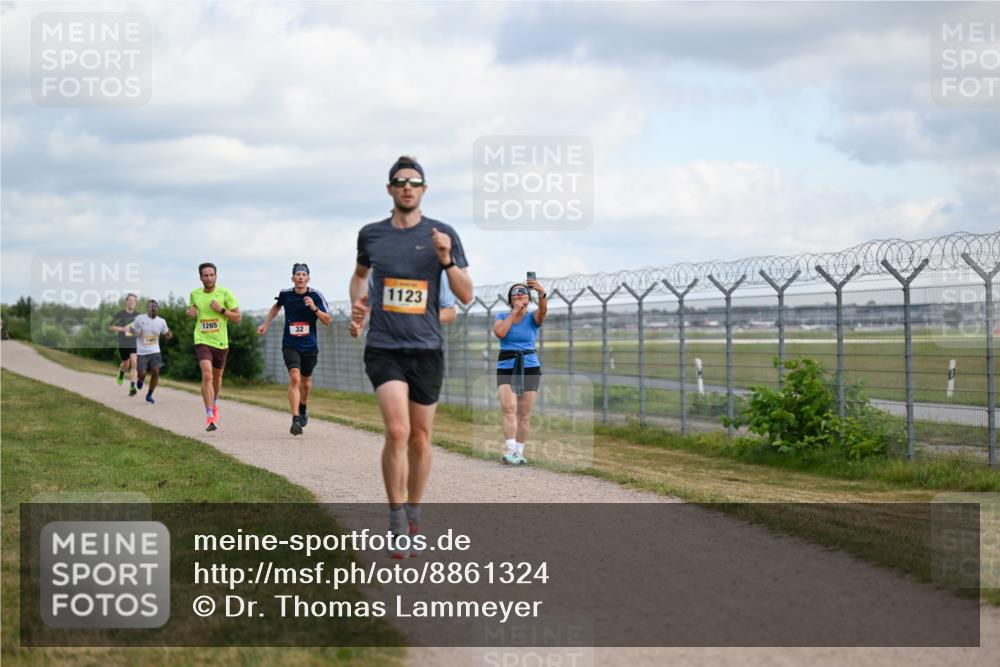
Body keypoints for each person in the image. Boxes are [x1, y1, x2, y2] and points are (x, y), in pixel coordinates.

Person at [349, 155, 473, 558]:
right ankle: (396, 518)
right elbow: (359, 277)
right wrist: (358, 306)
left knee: (420, 439)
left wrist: (446, 259)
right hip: (384, 348)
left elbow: (466, 294)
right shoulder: (371, 235)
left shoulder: (443, 234)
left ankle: (415, 513)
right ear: (390, 188)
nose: (407, 187)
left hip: (426, 350)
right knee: (398, 431)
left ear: (423, 190)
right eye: (401, 181)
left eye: (414, 182)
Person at [257, 263, 332, 435]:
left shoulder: (316, 295)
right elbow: (277, 306)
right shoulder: (285, 294)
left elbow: (328, 320)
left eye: (303, 275)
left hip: (309, 345)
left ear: (308, 279)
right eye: (298, 274)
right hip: (290, 344)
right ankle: (295, 419)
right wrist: (266, 324)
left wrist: (314, 308)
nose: (300, 277)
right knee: (294, 378)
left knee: (306, 381)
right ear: (293, 278)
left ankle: (303, 405)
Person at [493, 279, 547, 465]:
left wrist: (541, 293)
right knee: (508, 408)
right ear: (510, 299)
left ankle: (519, 452)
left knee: (524, 413)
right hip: (506, 366)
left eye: (523, 292)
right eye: (515, 293)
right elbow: (500, 332)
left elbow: (543, 312)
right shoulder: (501, 316)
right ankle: (510, 450)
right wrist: (514, 312)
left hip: (529, 366)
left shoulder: (533, 318)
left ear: (528, 298)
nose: (519, 294)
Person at [187, 263, 241, 431]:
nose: (209, 278)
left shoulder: (225, 293)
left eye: (211, 275)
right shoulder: (195, 294)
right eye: (205, 275)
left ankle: (214, 402)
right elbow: (192, 310)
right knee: (207, 375)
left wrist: (222, 310)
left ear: (216, 276)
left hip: (220, 343)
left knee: (217, 377)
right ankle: (209, 414)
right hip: (202, 340)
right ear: (200, 277)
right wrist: (190, 313)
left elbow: (238, 318)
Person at [132, 299, 172, 404]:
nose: (152, 309)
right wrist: (136, 333)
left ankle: (149, 395)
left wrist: (169, 335)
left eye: (154, 307)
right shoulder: (139, 319)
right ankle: (141, 379)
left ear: (157, 309)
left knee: (156, 371)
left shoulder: (161, 321)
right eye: (150, 307)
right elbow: (131, 329)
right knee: (142, 373)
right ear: (147, 308)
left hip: (155, 351)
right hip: (141, 352)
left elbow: (167, 332)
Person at [109, 293, 139, 396]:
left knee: (134, 362)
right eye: (130, 300)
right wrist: (122, 329)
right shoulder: (120, 314)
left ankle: (132, 387)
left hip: (134, 342)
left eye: (134, 301)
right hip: (123, 343)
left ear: (136, 303)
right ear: (126, 302)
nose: (132, 302)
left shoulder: (138, 316)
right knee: (126, 364)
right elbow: (111, 326)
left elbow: (141, 328)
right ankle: (121, 372)